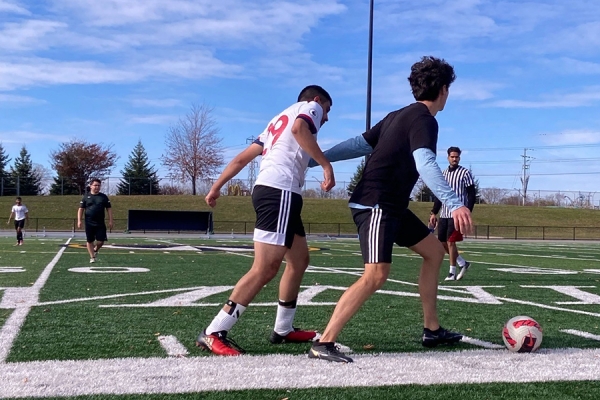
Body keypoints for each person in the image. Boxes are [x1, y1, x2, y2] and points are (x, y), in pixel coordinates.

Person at [307, 56, 473, 363]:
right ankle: (324, 341)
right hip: (376, 204)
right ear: (444, 90)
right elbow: (424, 162)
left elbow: (358, 144)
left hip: (392, 206)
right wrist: (455, 202)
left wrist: (315, 159)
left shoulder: (399, 115)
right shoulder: (424, 119)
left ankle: (432, 329)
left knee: (435, 252)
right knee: (376, 274)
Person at [197, 85, 335, 356]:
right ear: (317, 101)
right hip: (279, 191)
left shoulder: (274, 122)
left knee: (299, 260)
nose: (326, 117)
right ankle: (214, 331)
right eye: (327, 110)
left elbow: (241, 159)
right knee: (265, 268)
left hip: (277, 192)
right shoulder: (310, 108)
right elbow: (300, 130)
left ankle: (283, 328)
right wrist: (326, 165)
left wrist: (216, 187)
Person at [430, 146, 476, 281]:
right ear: (448, 157)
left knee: (451, 242)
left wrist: (467, 212)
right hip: (444, 213)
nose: (454, 159)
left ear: (459, 158)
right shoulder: (443, 174)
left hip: (457, 214)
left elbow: (471, 195)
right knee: (442, 243)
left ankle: (452, 272)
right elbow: (440, 195)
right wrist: (434, 212)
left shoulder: (465, 173)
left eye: (457, 157)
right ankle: (463, 263)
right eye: (452, 156)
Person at [77, 178, 113, 263]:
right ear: (91, 186)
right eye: (95, 185)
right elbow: (81, 209)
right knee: (90, 240)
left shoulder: (103, 197)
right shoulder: (86, 197)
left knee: (101, 241)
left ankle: (96, 249)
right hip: (89, 222)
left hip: (100, 223)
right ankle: (92, 257)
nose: (97, 187)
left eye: (98, 185)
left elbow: (109, 209)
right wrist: (79, 220)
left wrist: (111, 220)